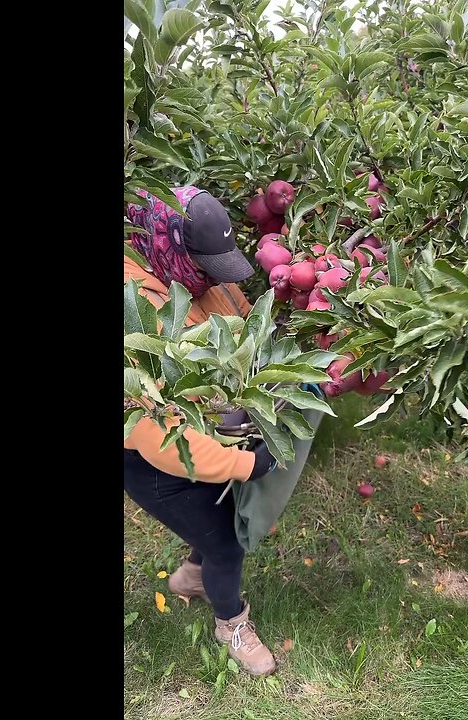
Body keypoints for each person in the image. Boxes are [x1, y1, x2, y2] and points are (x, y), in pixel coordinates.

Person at [123, 185, 281, 677]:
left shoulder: (192, 278)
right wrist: (244, 463)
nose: (216, 278)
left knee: (217, 514)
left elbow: (244, 326)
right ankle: (229, 622)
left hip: (205, 432)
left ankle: (192, 575)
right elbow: (159, 436)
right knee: (226, 541)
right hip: (151, 457)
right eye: (206, 265)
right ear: (167, 245)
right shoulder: (137, 316)